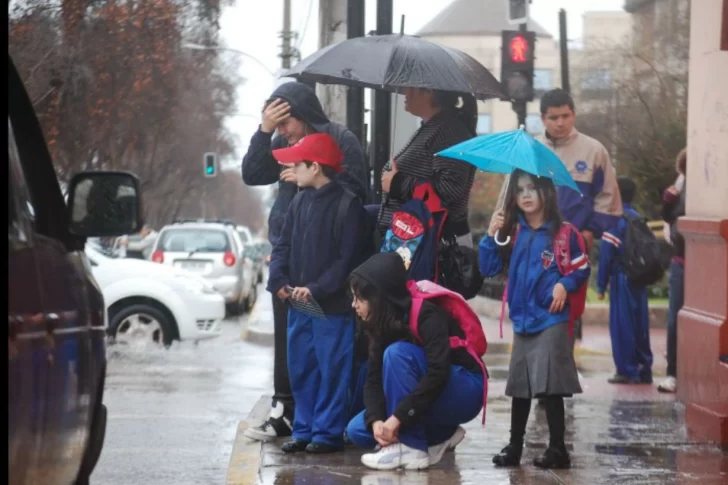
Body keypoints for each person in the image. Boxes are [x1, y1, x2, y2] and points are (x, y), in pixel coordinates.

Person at [242, 82, 368, 441]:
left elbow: (358, 193)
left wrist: (313, 178)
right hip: (292, 253)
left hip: (327, 271)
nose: (282, 133)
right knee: (293, 345)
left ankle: (325, 426)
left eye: (285, 124)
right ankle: (289, 413)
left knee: (328, 352)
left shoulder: (341, 139)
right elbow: (252, 173)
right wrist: (264, 130)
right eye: (276, 127)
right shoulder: (281, 144)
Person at [479, 169, 590, 469]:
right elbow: (488, 268)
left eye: (532, 188)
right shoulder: (513, 233)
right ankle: (515, 446)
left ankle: (558, 449)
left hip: (551, 317)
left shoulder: (563, 233)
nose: (526, 195)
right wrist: (491, 236)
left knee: (549, 384)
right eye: (520, 190)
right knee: (520, 385)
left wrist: (563, 285)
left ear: (546, 193)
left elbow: (581, 268)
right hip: (523, 320)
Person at [266, 133, 363, 454]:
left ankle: (327, 433)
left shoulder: (348, 206)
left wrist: (316, 288)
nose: (293, 168)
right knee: (303, 368)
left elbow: (346, 260)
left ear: (316, 166)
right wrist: (278, 279)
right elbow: (282, 246)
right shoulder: (298, 200)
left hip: (331, 306)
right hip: (299, 303)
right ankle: (305, 430)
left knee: (332, 369)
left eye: (298, 162)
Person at [345, 252, 484, 470]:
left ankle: (411, 446)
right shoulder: (380, 323)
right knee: (356, 430)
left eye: (360, 298)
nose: (354, 305)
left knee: (397, 353)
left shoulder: (425, 314)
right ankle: (442, 434)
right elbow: (372, 381)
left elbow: (438, 372)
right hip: (431, 395)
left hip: (465, 388)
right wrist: (376, 421)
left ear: (380, 297)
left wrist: (397, 418)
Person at [537, 89, 623, 341]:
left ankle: (564, 371)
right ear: (543, 118)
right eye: (553, 117)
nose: (560, 123)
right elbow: (510, 196)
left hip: (573, 248)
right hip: (536, 242)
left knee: (567, 314)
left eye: (565, 115)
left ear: (574, 114)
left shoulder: (594, 151)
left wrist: (591, 230)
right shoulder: (531, 149)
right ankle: (539, 373)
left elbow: (609, 197)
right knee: (535, 311)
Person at [379, 89, 477, 248]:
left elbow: (450, 188)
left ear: (428, 91)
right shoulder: (434, 126)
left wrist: (397, 184)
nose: (405, 92)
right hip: (416, 238)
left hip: (434, 244)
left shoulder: (450, 131)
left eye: (411, 87)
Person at [597, 177, 653, 384]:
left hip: (621, 278)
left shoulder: (613, 220)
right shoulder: (638, 218)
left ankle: (627, 369)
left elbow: (605, 256)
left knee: (622, 325)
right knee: (640, 324)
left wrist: (601, 285)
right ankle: (644, 367)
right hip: (640, 279)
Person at [657, 148, 687, 394]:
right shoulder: (681, 184)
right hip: (681, 260)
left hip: (703, 260)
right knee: (674, 318)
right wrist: (668, 202)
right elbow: (668, 218)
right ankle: (672, 372)